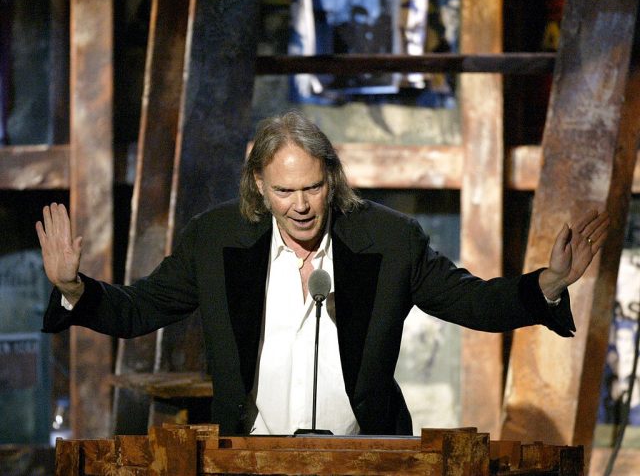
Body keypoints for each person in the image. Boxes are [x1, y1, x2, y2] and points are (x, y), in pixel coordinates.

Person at [38, 110, 609, 436]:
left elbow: (472, 303)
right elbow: (140, 310)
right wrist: (72, 289)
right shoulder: (215, 241)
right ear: (259, 186)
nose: (301, 204)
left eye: (312, 186)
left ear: (332, 179)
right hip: (252, 458)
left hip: (365, 457)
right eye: (285, 190)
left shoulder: (388, 240)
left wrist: (549, 284)